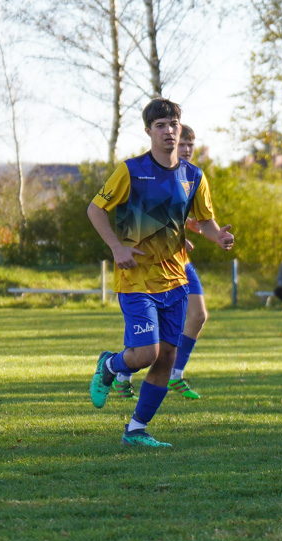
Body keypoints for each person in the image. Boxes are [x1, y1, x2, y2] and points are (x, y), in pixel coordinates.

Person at [87, 98, 234, 447]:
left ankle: (136, 430)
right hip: (136, 279)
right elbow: (95, 209)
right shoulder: (131, 171)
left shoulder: (194, 176)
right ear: (149, 131)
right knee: (146, 354)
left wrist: (219, 237)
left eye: (174, 125)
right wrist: (117, 248)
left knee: (167, 358)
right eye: (161, 126)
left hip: (176, 281)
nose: (169, 131)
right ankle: (110, 366)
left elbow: (205, 221)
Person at [111, 124, 211, 401]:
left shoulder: (191, 177)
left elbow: (181, 215)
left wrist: (189, 228)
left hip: (178, 262)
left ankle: (175, 373)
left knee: (199, 315)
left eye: (191, 144)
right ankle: (121, 371)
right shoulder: (143, 172)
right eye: (183, 144)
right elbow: (145, 214)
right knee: (146, 339)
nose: (187, 149)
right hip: (149, 265)